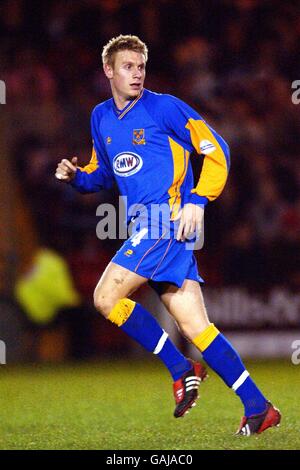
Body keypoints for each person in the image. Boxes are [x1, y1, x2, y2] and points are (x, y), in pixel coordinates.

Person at [55, 35, 281, 435]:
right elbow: (102, 173)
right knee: (197, 328)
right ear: (108, 70)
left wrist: (198, 199)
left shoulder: (165, 108)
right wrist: (77, 177)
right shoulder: (100, 117)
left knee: (105, 297)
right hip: (148, 227)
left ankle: (181, 368)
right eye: (128, 66)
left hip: (166, 223)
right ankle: (258, 407)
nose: (137, 73)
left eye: (141, 66)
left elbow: (217, 150)